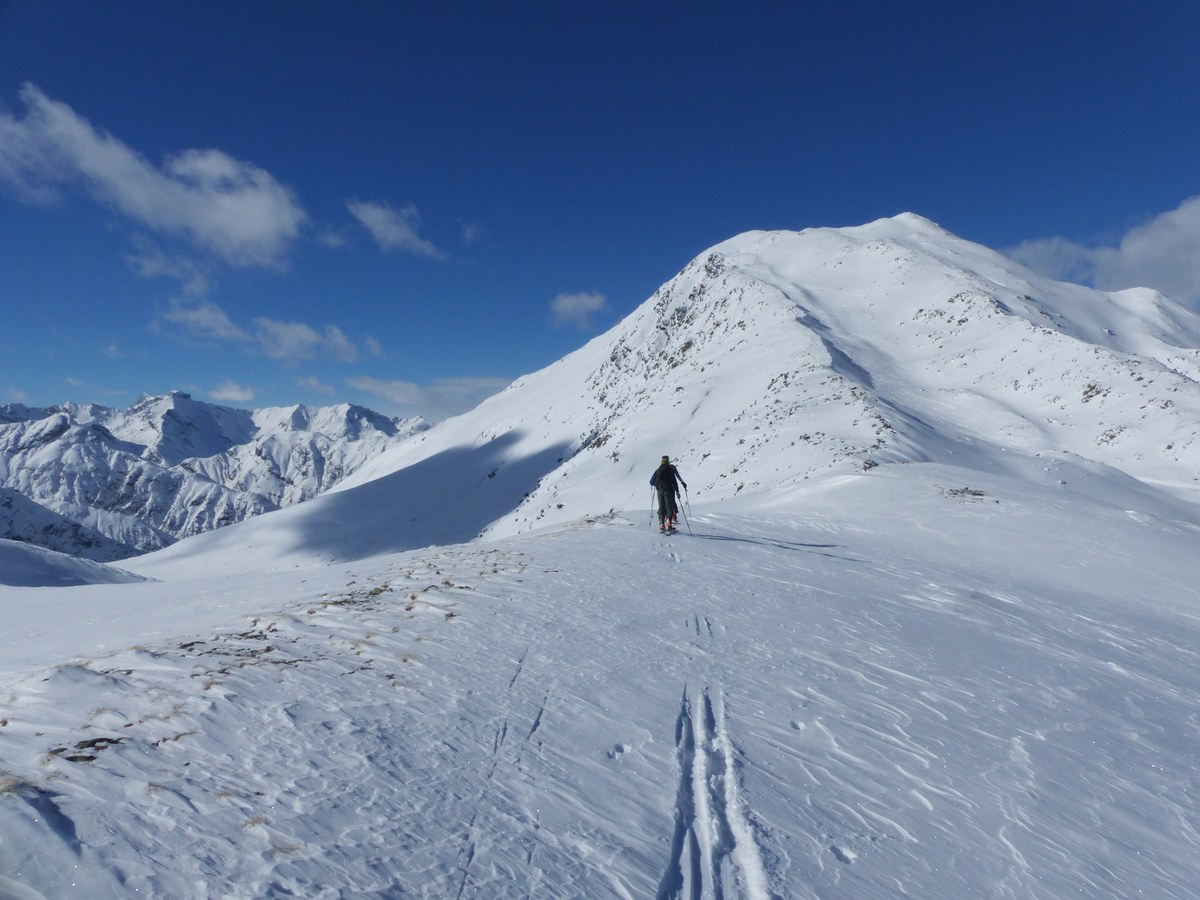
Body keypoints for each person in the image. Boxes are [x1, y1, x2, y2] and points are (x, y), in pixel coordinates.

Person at [650, 455, 687, 532]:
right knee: (669, 507)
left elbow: (651, 482)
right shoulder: (670, 470)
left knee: (661, 506)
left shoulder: (657, 471)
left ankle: (661, 524)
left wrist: (657, 484)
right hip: (668, 491)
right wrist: (677, 492)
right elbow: (674, 482)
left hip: (659, 491)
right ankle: (669, 524)